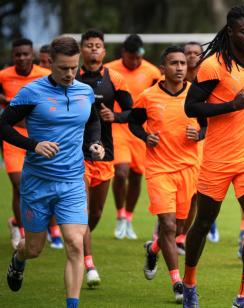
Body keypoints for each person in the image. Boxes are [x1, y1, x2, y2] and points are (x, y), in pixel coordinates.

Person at [183, 5, 244, 308]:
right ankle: (190, 284)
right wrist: (230, 106)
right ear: (231, 31)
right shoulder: (213, 66)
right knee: (203, 221)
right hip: (217, 160)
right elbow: (191, 107)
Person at [2, 35, 104, 308]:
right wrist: (33, 145)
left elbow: (93, 120)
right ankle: (18, 259)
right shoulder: (31, 92)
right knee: (34, 249)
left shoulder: (84, 91)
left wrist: (95, 143)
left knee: (74, 243)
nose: (70, 74)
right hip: (37, 183)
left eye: (74, 68)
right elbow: (4, 125)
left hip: (72, 181)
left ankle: (72, 305)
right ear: (50, 65)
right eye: (63, 68)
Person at [129, 45, 204, 303]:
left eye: (183, 63)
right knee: (169, 225)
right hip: (159, 169)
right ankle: (177, 282)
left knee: (180, 227)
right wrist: (145, 136)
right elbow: (133, 122)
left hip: (190, 169)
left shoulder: (196, 95)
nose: (180, 67)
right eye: (174, 63)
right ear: (163, 69)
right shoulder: (148, 96)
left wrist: (200, 134)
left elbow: (209, 124)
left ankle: (153, 248)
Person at [76, 29, 133, 287]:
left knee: (96, 212)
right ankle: (89, 264)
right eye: (89, 45)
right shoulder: (70, 77)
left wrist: (116, 116)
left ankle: (77, 240)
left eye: (98, 45)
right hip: (76, 154)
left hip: (105, 153)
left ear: (104, 51)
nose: (94, 49)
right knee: (83, 210)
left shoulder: (115, 78)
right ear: (81, 50)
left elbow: (133, 111)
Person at [106, 34, 162, 240]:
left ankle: (129, 218)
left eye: (139, 58)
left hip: (141, 129)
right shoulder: (109, 70)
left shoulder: (152, 71)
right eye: (132, 58)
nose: (136, 62)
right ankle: (120, 214)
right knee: (121, 172)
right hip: (118, 127)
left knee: (137, 176)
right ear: (124, 54)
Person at [0, 38, 53, 250]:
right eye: (18, 54)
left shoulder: (43, 75)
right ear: (13, 57)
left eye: (25, 54)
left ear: (33, 55)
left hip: (40, 138)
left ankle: (21, 223)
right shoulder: (4, 76)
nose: (22, 58)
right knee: (19, 184)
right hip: (13, 138)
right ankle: (22, 232)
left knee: (42, 186)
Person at [181, 41, 220, 245]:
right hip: (173, 150)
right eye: (189, 52)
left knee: (199, 193)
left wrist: (199, 133)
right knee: (179, 196)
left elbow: (208, 122)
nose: (193, 56)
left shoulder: (207, 80)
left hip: (204, 147)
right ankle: (164, 231)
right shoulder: (170, 82)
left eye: (197, 52)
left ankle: (207, 223)